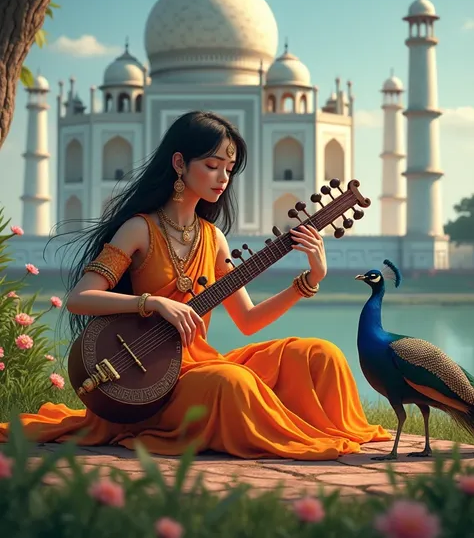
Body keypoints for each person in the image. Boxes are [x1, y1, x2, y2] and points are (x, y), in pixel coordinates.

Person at [0, 111, 390, 459]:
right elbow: (80, 299)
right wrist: (153, 303)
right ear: (179, 164)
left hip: (198, 364)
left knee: (319, 354)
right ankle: (287, 435)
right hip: (151, 379)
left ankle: (330, 429)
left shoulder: (212, 238)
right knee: (230, 382)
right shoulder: (140, 228)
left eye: (229, 168)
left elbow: (248, 321)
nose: (223, 178)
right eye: (212, 165)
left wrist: (309, 281)